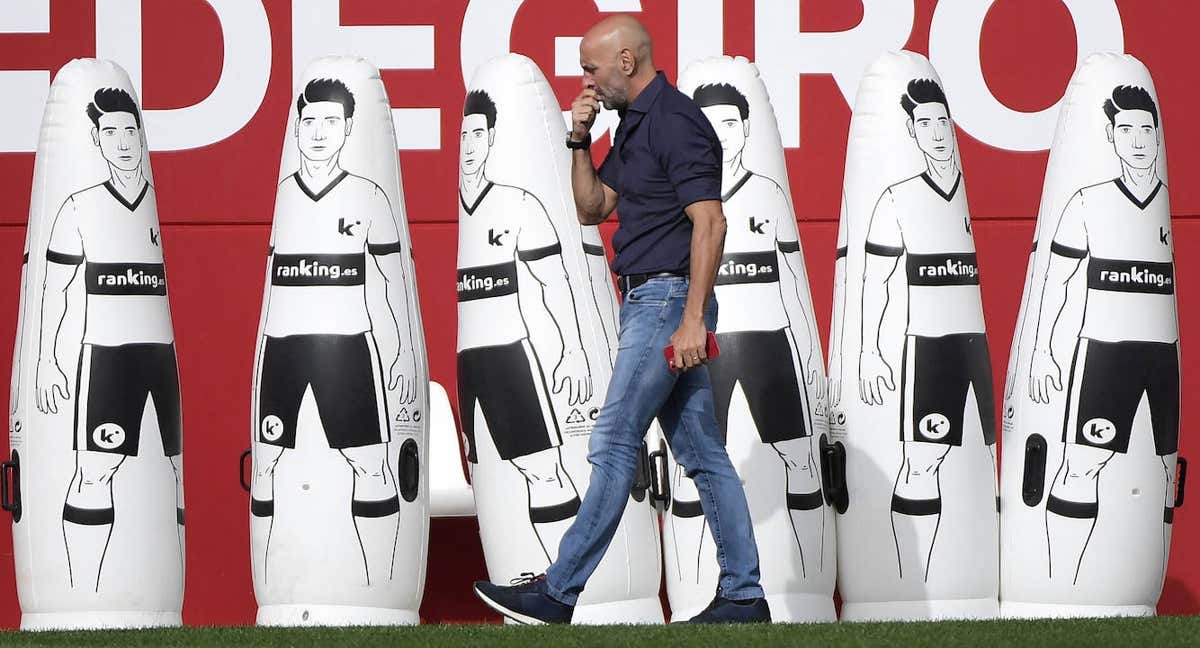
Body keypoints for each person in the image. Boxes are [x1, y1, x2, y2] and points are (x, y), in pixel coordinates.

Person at [472, 14, 768, 624]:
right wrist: (578, 139)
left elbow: (711, 223)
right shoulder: (631, 126)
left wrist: (692, 321)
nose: (586, 80)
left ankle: (558, 592)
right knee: (704, 455)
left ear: (626, 62)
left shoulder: (677, 122)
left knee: (611, 439)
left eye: (592, 68)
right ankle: (744, 596)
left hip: (666, 303)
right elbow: (591, 209)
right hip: (646, 299)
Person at [251, 78, 416, 586]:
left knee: (370, 467)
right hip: (281, 351)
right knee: (265, 469)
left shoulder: (369, 196)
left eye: (330, 122)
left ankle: (378, 591)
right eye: (309, 122)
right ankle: (279, 586)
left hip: (349, 350)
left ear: (347, 130)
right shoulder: (283, 196)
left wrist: (398, 353)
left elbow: (390, 286)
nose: (318, 132)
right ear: (296, 130)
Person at [1028, 84, 1177, 585]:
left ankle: (1141, 593)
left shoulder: (1164, 207)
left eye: (1147, 129)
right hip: (1105, 355)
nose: (1138, 140)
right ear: (1111, 137)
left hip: (1163, 358)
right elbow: (1056, 283)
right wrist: (1046, 353)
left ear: (1157, 136)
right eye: (1127, 129)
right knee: (1081, 465)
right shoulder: (1087, 202)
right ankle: (1059, 590)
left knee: (1159, 474)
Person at [37, 87, 182, 592]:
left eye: (130, 131)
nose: (123, 142)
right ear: (96, 141)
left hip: (159, 360)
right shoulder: (78, 207)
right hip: (106, 360)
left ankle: (160, 600)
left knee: (170, 474)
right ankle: (84, 599)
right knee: (95, 473)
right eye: (111, 132)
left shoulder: (153, 209)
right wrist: (47, 362)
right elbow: (53, 288)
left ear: (142, 137)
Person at [857, 78, 995, 581]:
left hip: (973, 347)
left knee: (981, 460)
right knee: (922, 461)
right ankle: (908, 587)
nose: (936, 132)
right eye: (925, 124)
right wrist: (871, 350)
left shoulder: (964, 194)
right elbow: (877, 278)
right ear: (912, 133)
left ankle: (965, 584)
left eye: (942, 121)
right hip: (929, 348)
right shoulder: (896, 199)